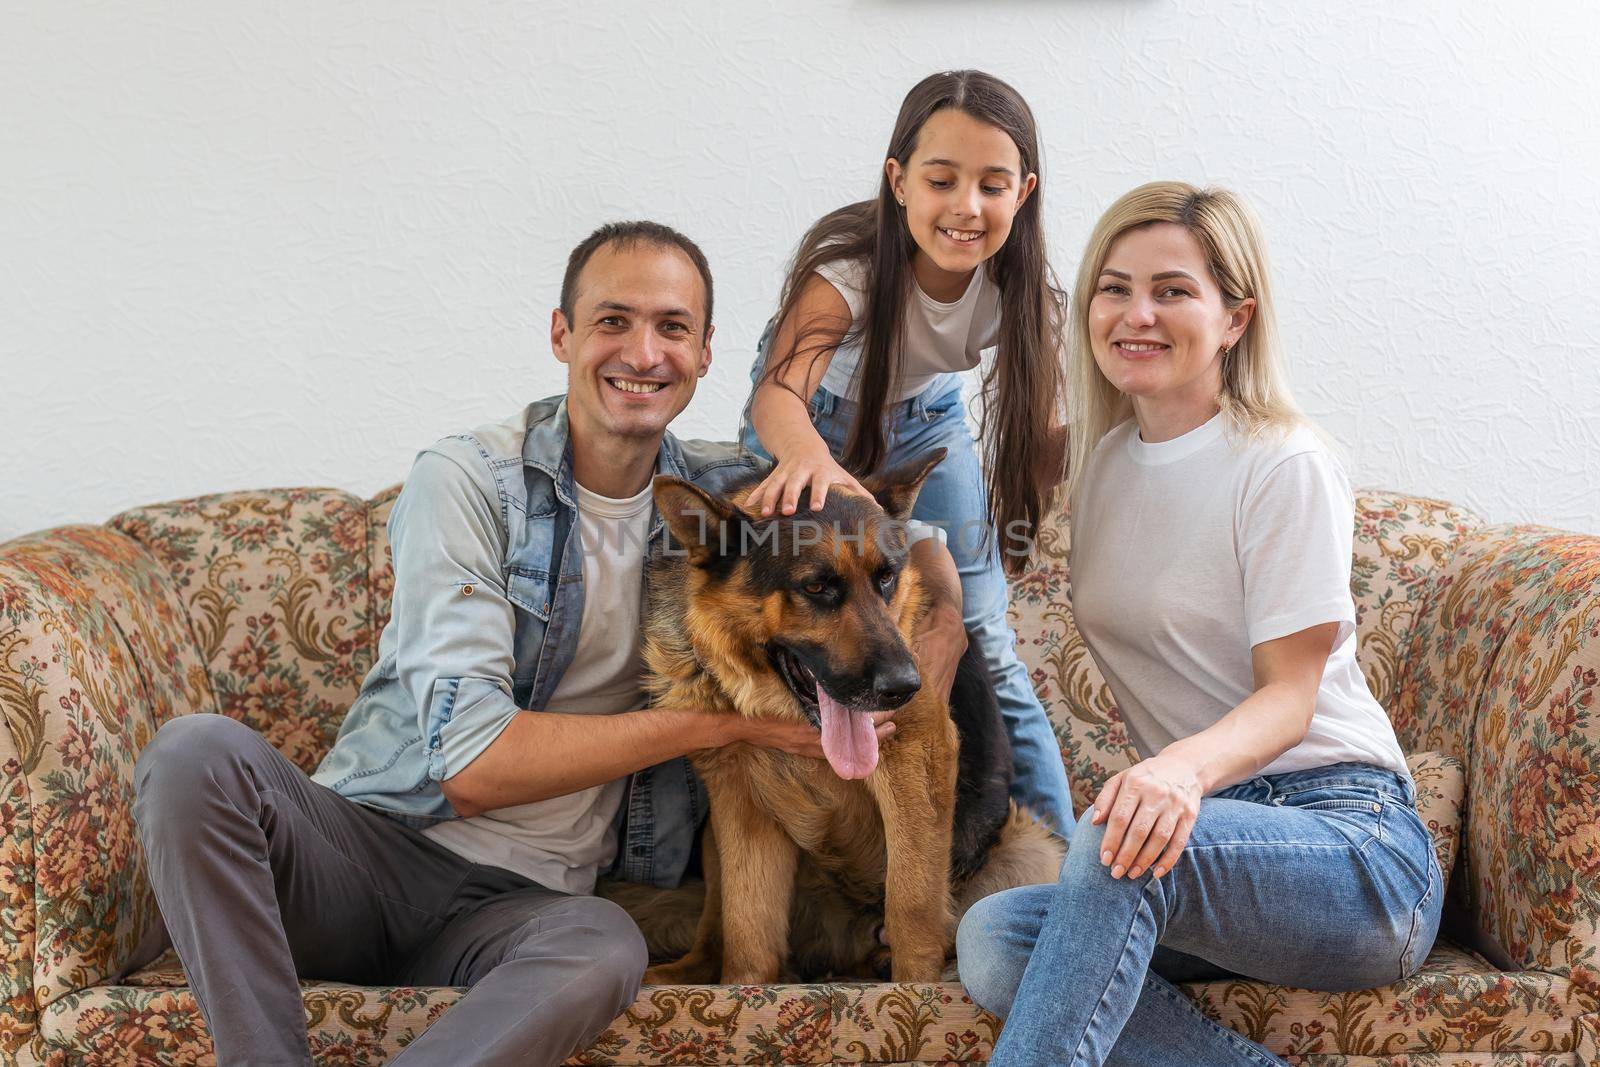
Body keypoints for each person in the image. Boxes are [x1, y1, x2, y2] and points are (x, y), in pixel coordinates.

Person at [131, 221, 969, 1067]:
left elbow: (883, 526)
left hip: (533, 908)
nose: (643, 351)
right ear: (562, 333)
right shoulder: (467, 480)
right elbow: (471, 765)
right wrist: (726, 726)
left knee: (606, 950)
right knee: (193, 753)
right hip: (371, 853)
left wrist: (944, 603)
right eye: (613, 321)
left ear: (708, 352)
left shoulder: (725, 504)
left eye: (673, 327)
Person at [955, 182, 1443, 1066]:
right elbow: (957, 457)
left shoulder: (1283, 461)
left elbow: (1291, 700)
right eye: (1114, 287)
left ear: (1235, 318)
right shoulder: (1102, 462)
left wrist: (1173, 775)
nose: (1137, 313)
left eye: (1173, 290)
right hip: (1208, 851)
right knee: (994, 935)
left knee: (1118, 841)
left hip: (1351, 849)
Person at [739, 69, 1075, 835]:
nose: (967, 206)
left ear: (1022, 194)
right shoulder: (847, 271)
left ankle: (1058, 856)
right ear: (898, 181)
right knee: (799, 596)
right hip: (812, 419)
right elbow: (775, 398)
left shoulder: (1021, 294)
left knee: (985, 631)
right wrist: (818, 469)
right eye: (942, 179)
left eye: (993, 184)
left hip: (927, 419)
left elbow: (1047, 438)